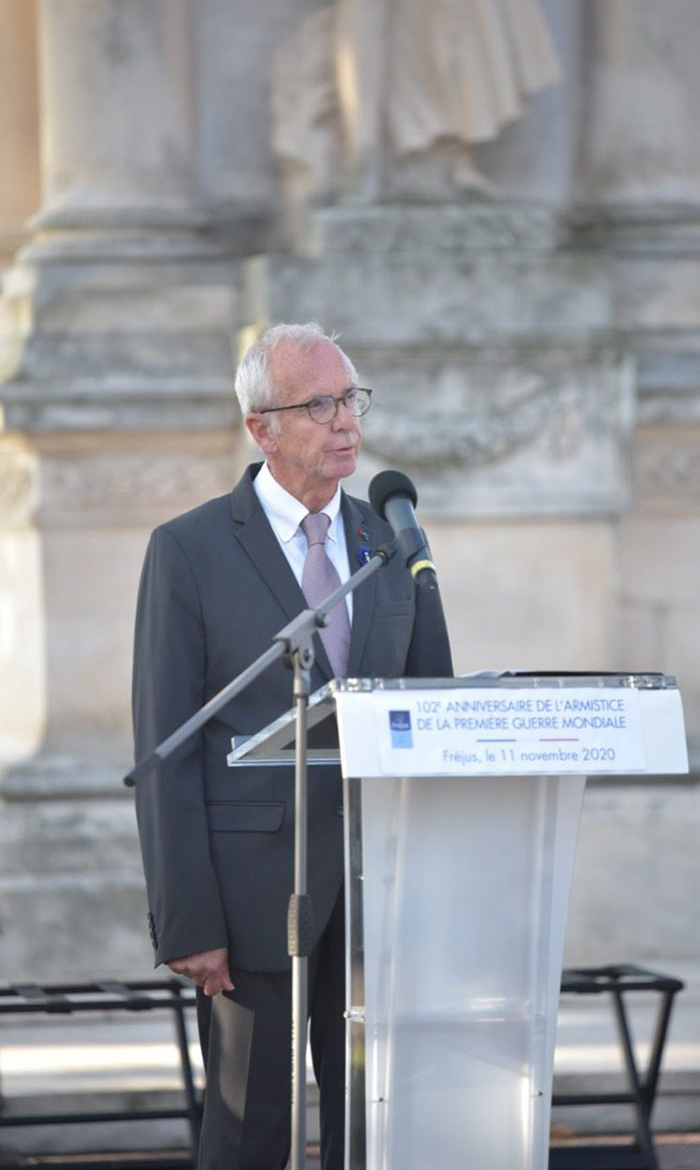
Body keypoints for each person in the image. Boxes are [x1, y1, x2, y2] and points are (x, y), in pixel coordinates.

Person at [131, 322, 453, 1170]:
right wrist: (188, 918)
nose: (347, 421)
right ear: (261, 428)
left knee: (372, 1127)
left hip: (375, 894)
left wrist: (435, 894)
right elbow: (166, 745)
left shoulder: (392, 541)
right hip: (247, 902)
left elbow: (434, 712)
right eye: (320, 404)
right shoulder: (189, 551)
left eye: (352, 398)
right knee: (249, 1129)